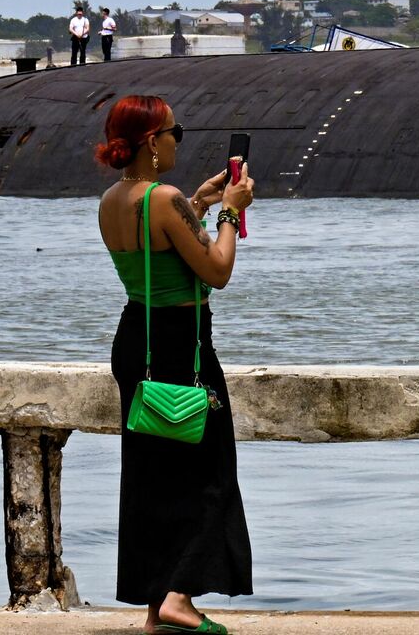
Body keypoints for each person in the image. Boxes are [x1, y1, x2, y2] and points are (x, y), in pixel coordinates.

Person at [96, 95, 256, 635]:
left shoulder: (114, 200)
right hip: (181, 345)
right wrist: (232, 211)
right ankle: (180, 598)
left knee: (151, 477)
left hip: (135, 341)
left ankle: (154, 604)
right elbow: (216, 270)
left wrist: (200, 203)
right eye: (174, 131)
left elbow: (157, 245)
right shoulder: (164, 198)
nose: (177, 139)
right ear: (151, 142)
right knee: (209, 472)